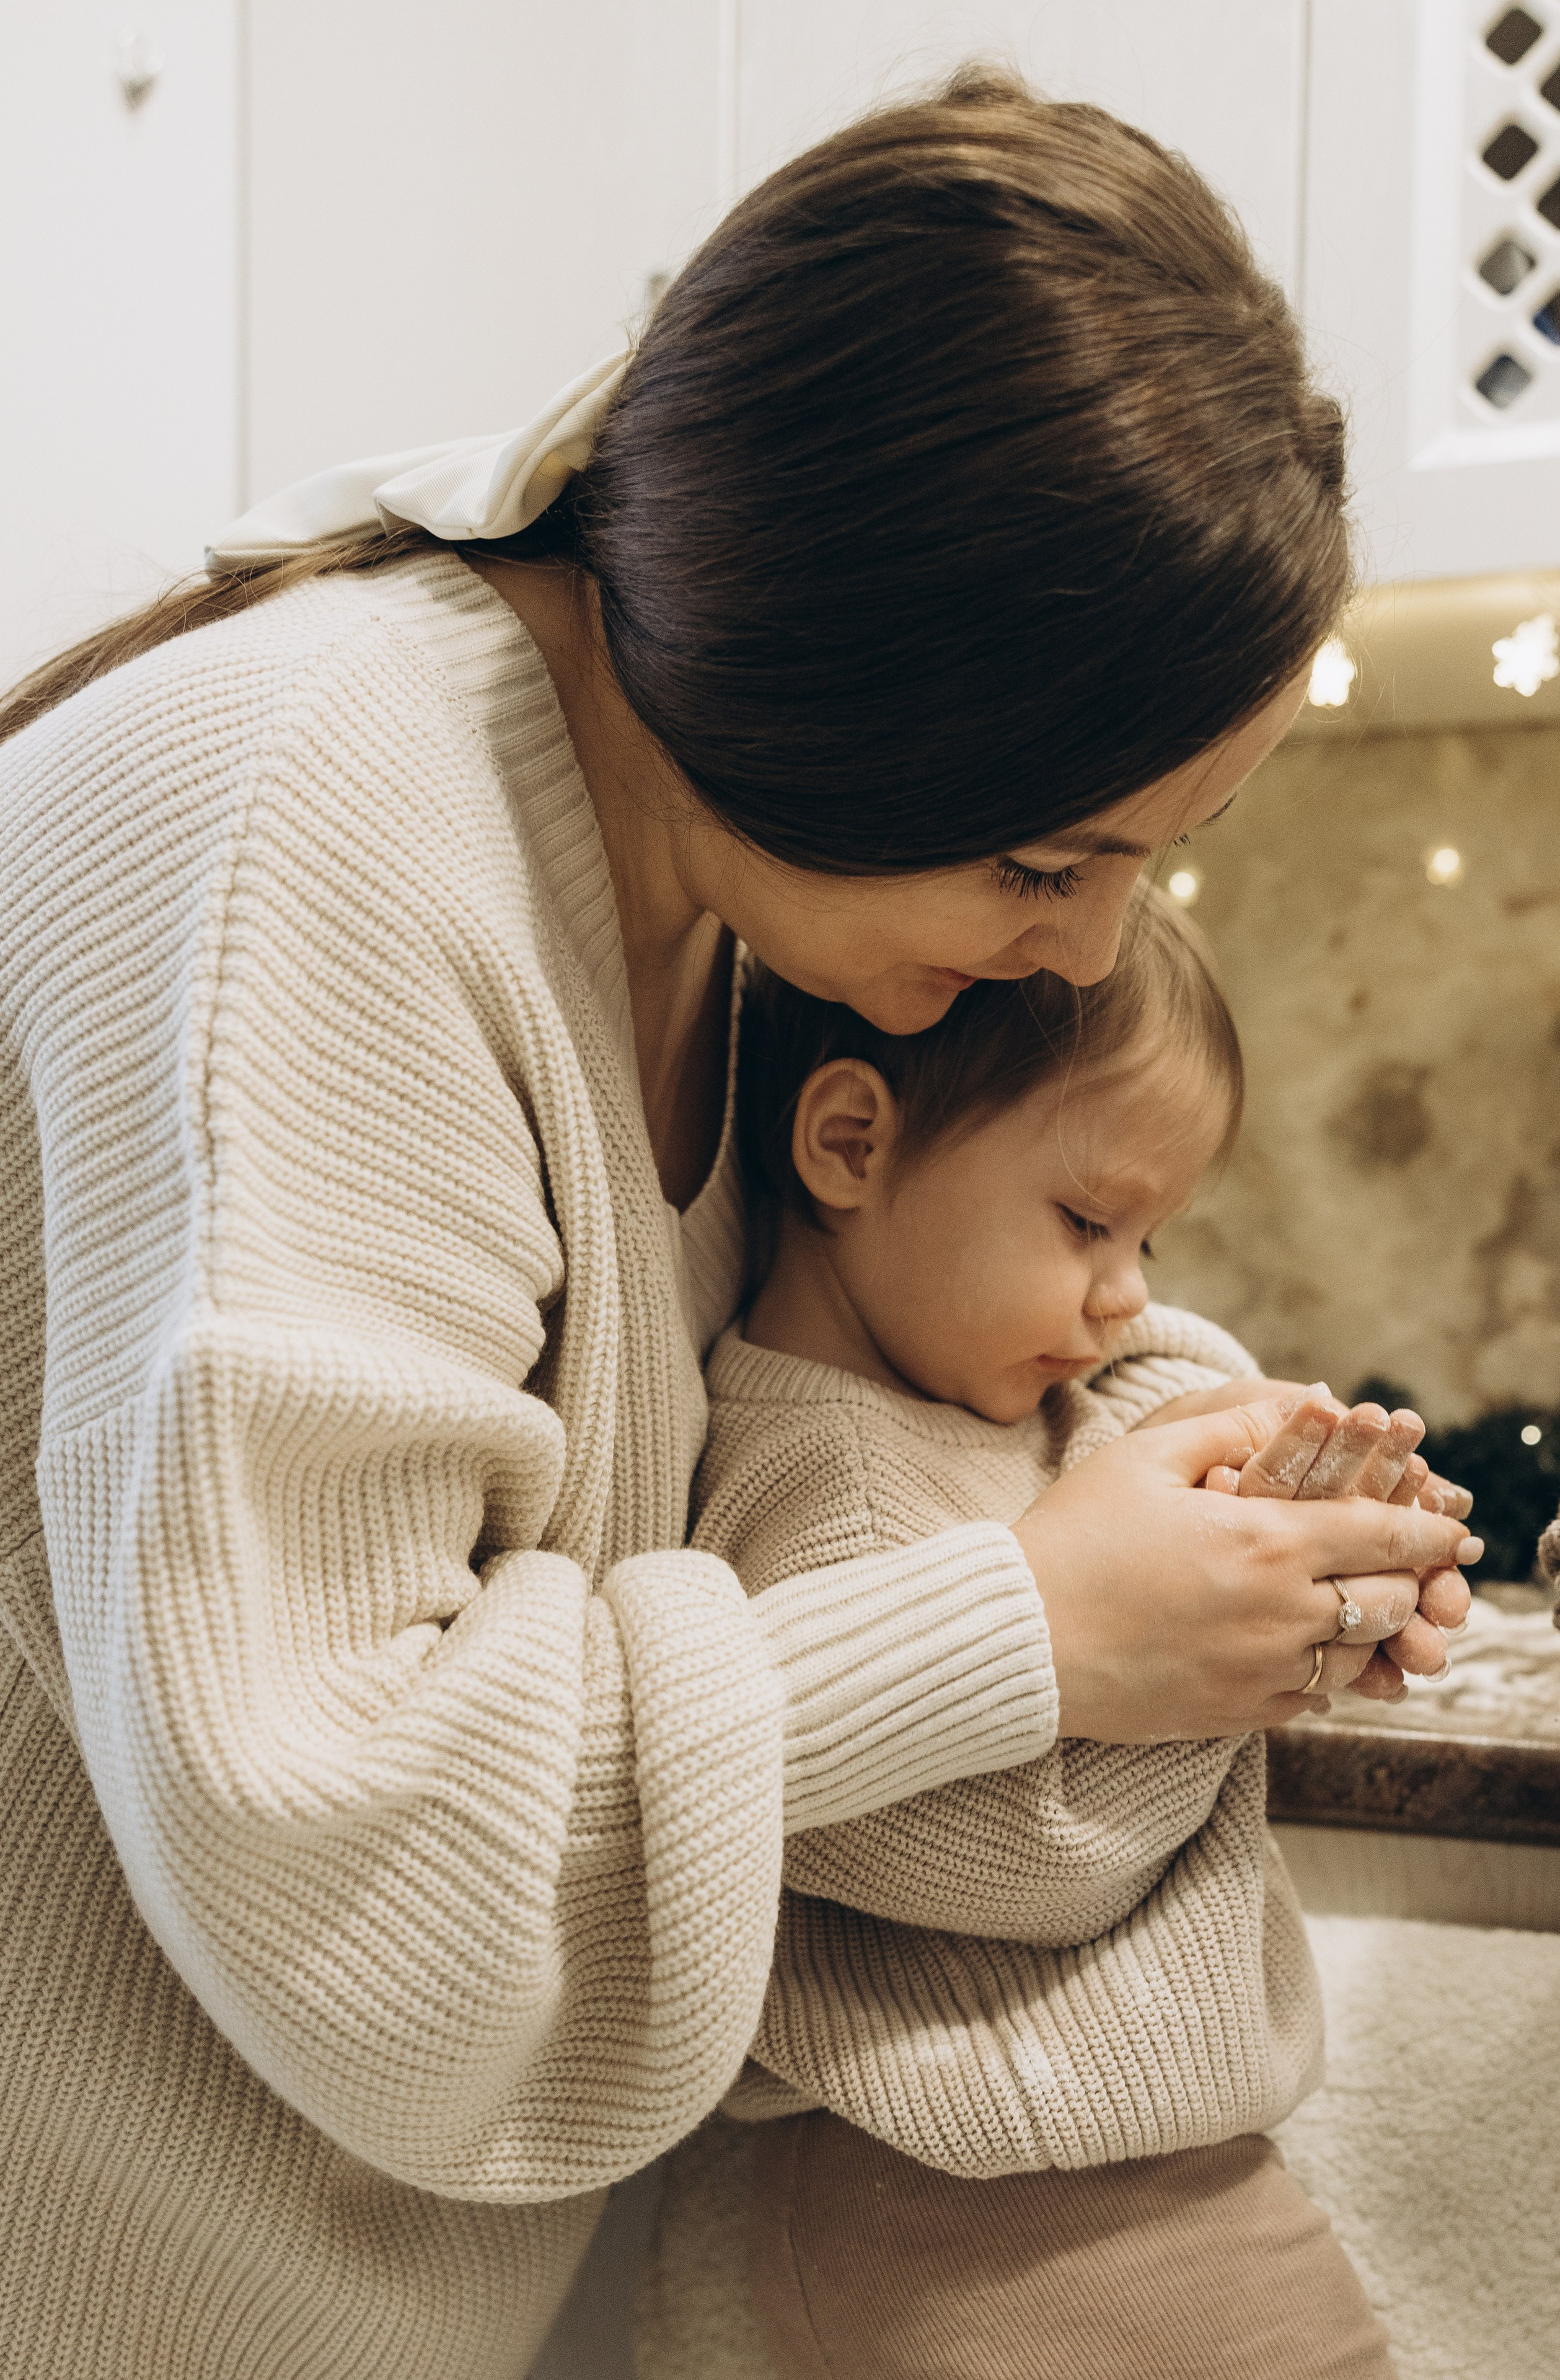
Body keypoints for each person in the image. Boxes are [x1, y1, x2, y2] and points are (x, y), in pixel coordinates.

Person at [0, 68, 1475, 2380]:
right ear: (839, 676)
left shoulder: (741, 902)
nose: (1092, 954)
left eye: (1141, 867)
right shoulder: (314, 824)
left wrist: (1248, 1518)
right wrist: (1026, 1629)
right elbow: (354, 1859)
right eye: (1046, 861)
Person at [640, 888, 1454, 2378]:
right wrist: (1238, 1671)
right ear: (848, 1144)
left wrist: (1285, 1484)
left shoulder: (1022, 1393)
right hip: (977, 2206)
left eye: (1150, 1233)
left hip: (1134, 2177)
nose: (1124, 1292)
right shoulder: (812, 1475)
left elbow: (1154, 1384)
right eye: (1085, 1221)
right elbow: (1024, 1861)